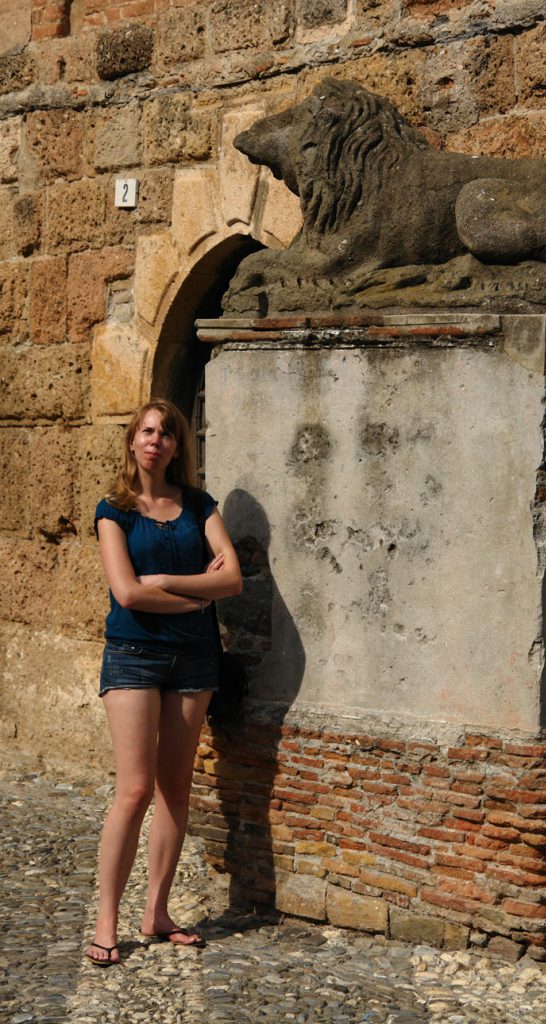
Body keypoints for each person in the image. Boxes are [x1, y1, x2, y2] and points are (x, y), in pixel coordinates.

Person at [85, 399, 242, 967]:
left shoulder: (199, 505)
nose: (156, 440)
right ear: (132, 442)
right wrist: (198, 597)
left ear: (178, 446)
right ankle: (106, 920)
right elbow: (127, 593)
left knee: (176, 789)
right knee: (133, 790)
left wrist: (177, 583)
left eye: (167, 433)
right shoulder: (114, 510)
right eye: (148, 431)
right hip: (133, 656)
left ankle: (156, 912)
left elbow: (233, 579)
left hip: (195, 661)